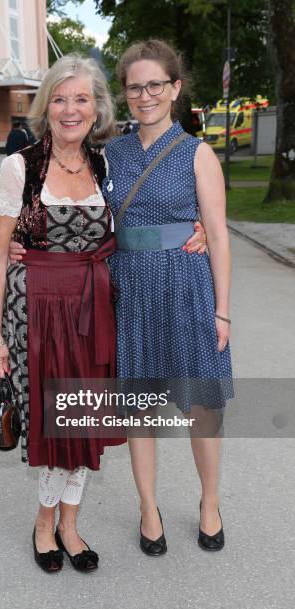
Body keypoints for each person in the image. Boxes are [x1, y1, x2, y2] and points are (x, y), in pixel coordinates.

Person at [0, 55, 128, 573]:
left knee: (84, 421)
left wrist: (195, 234)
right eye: (61, 99)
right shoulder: (20, 167)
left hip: (93, 310)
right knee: (53, 424)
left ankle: (70, 525)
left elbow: (148, 220)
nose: (71, 109)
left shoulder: (109, 165)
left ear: (97, 109)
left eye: (82, 98)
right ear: (47, 107)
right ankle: (45, 525)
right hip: (36, 314)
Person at [104, 39, 233, 555]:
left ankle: (209, 502)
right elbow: (89, 218)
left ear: (175, 88)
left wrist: (222, 310)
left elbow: (219, 235)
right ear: (126, 94)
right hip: (129, 291)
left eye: (155, 84)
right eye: (135, 87)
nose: (145, 95)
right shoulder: (109, 153)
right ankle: (148, 508)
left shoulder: (197, 154)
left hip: (186, 290)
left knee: (201, 404)